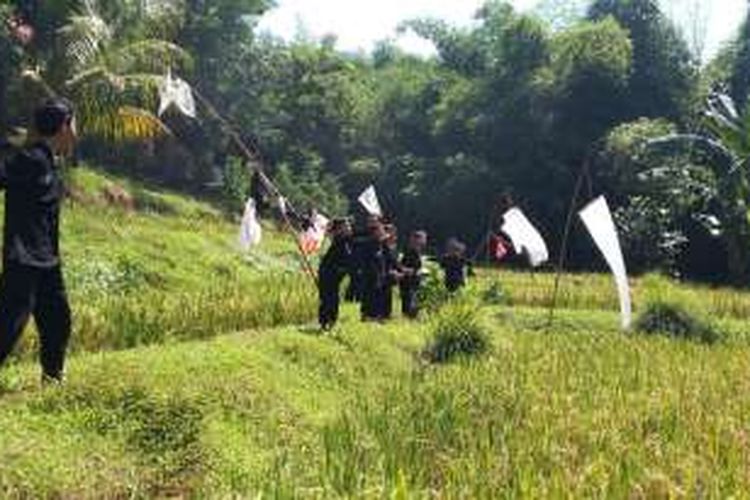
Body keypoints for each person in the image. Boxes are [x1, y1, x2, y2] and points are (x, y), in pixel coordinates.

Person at [0, 99, 77, 383]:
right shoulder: (30, 158)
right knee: (9, 324)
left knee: (58, 320)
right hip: (23, 256)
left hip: (46, 259)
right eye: (73, 125)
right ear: (63, 127)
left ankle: (53, 377)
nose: (76, 134)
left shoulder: (47, 161)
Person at [318, 218, 353, 331]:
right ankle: (325, 322)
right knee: (327, 298)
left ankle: (330, 321)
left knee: (332, 298)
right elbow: (324, 255)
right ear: (340, 229)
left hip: (335, 274)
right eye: (346, 226)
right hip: (327, 273)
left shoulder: (346, 240)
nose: (349, 228)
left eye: (348, 226)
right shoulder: (333, 240)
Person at [399, 230, 427, 318]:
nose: (424, 241)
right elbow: (403, 266)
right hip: (408, 281)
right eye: (423, 239)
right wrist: (415, 271)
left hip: (414, 280)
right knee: (409, 302)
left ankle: (411, 317)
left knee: (414, 301)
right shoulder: (409, 251)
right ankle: (408, 318)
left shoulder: (417, 251)